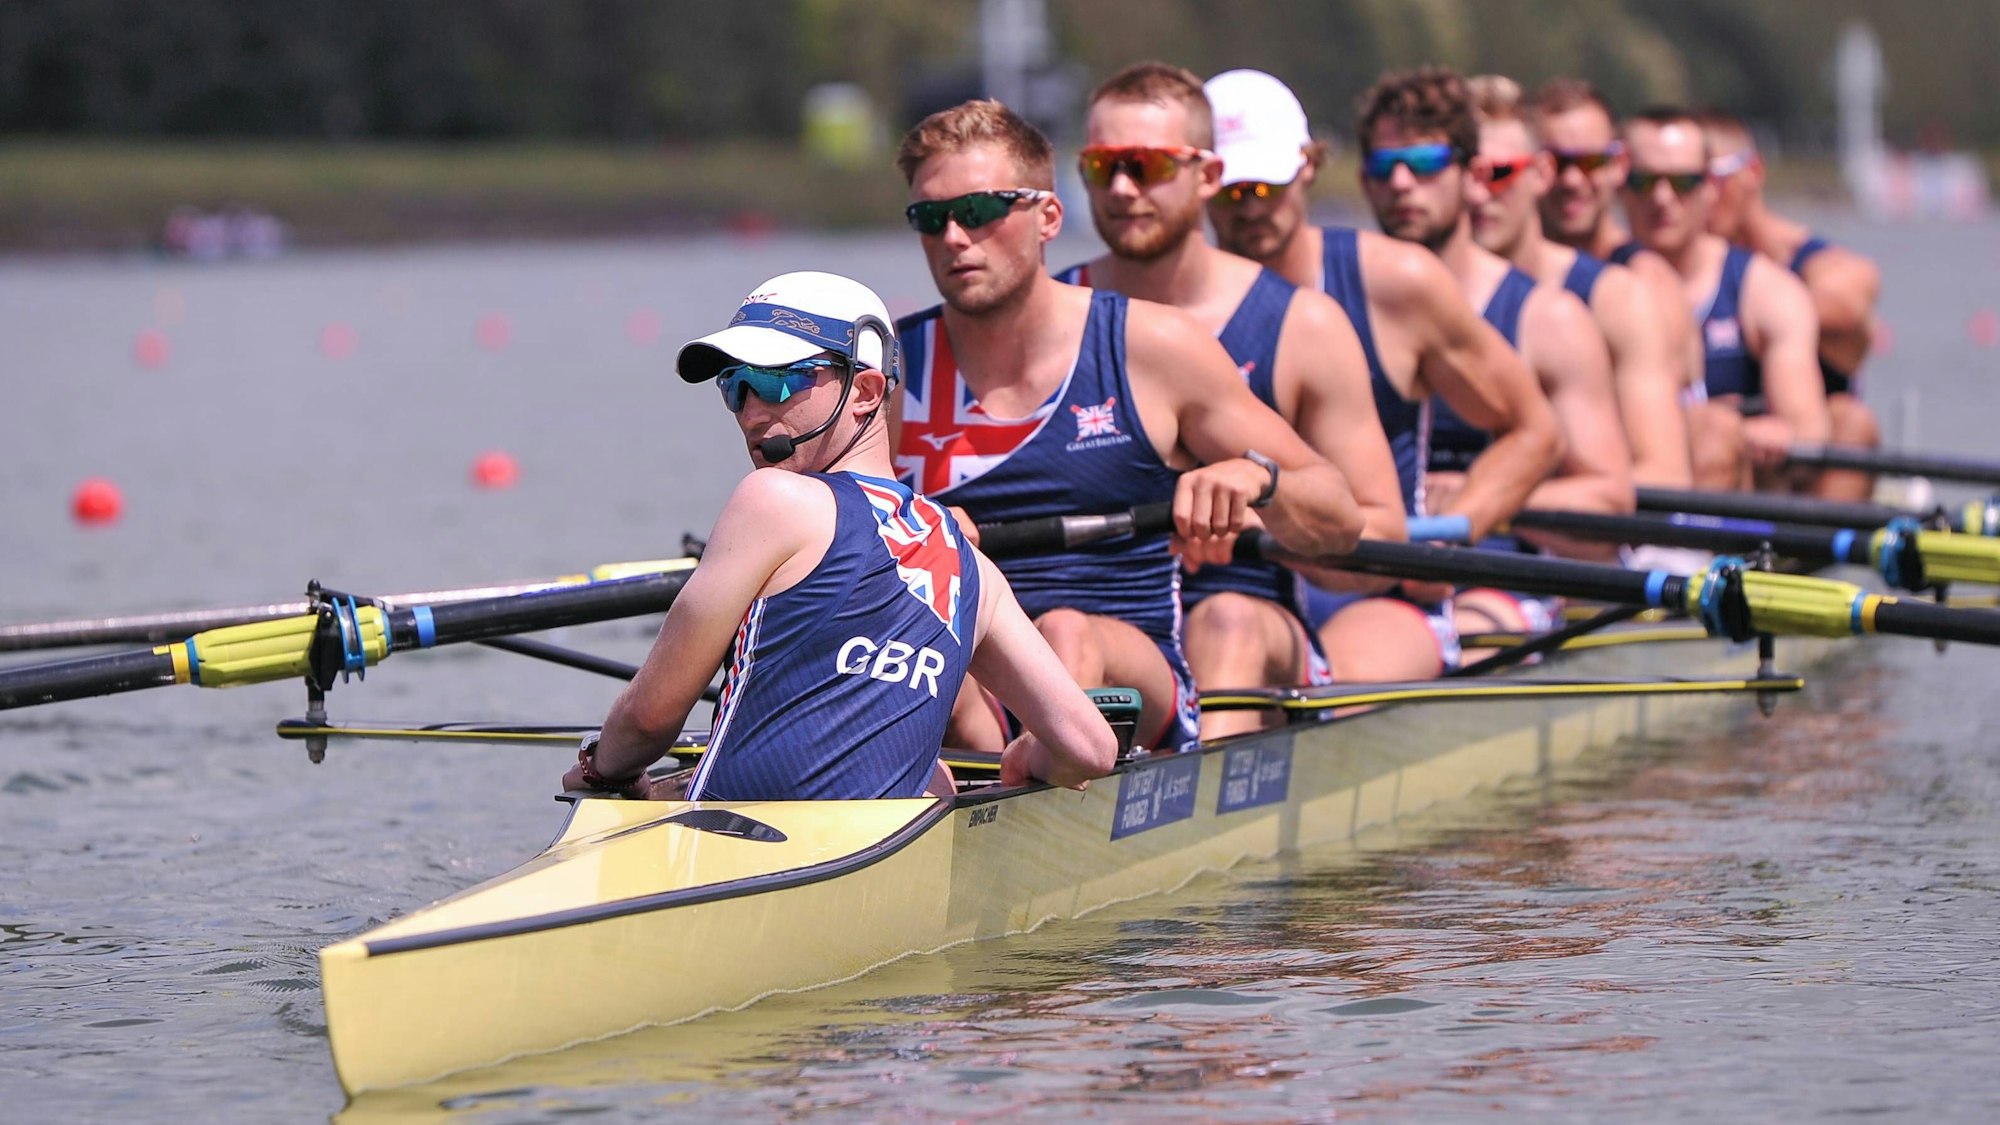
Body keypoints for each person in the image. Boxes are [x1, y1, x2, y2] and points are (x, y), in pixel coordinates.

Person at [891, 99, 1366, 751]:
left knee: (1063, 633)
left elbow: (1339, 513)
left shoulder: (1152, 347)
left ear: (1048, 216)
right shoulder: (887, 373)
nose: (953, 237)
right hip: (969, 674)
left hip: (1132, 677)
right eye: (930, 217)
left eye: (979, 211)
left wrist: (1258, 476)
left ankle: (1034, 783)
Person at [563, 271, 1117, 800]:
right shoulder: (971, 566)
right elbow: (1091, 747)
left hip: (731, 848)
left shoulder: (773, 501)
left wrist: (601, 768)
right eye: (736, 388)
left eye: (778, 380)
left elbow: (648, 720)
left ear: (866, 390)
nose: (753, 414)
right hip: (880, 855)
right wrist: (1027, 757)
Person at [1054, 62, 1406, 738]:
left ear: (1205, 176)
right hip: (1096, 631)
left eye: (1148, 165)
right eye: (1103, 168)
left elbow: (1379, 542)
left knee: (1226, 623)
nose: (1124, 189)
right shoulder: (1050, 316)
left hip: (1247, 619)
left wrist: (1257, 510)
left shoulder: (1305, 325)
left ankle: (1202, 821)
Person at [1202, 68, 1562, 679]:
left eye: (1267, 188)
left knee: (1310, 687)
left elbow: (1534, 429)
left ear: (1309, 167)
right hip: (1220, 590)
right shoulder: (1155, 307)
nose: (1250, 208)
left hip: (1375, 588)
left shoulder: (1397, 283)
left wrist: (1455, 533)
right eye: (1233, 192)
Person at [1352, 65, 1631, 635]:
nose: (1403, 183)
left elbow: (1610, 505)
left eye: (1425, 165)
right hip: (1364, 575)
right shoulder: (1328, 306)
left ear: (1468, 176)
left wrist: (1483, 494)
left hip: (1500, 584)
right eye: (1385, 167)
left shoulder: (1548, 319)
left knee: (1460, 634)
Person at [1466, 75, 1693, 493]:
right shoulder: (1428, 286)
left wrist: (1481, 501)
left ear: (1537, 173)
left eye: (1498, 174)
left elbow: (1665, 474)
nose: (1479, 195)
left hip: (1591, 532)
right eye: (1469, 173)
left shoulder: (1628, 292)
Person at [1533, 79, 1744, 488]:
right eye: (1557, 162)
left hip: (1621, 507)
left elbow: (1662, 466)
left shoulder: (1647, 284)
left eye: (1590, 163)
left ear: (1617, 168)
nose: (1572, 181)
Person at [1620, 107, 1833, 491]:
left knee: (1714, 433)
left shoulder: (1766, 291)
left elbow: (1807, 435)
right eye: (1643, 181)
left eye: (1681, 182)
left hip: (1734, 507)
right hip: (1626, 497)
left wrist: (1727, 431)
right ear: (1620, 186)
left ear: (1709, 189)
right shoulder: (1589, 282)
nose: (1662, 198)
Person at [1703, 108, 1883, 502]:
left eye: (1712, 178)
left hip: (1800, 465)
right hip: (1723, 453)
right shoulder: (1669, 264)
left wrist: (1760, 309)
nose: (1699, 194)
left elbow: (1850, 307)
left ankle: (1817, 550)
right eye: (1689, 180)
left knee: (1852, 422)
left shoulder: (1821, 262)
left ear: (1753, 171)